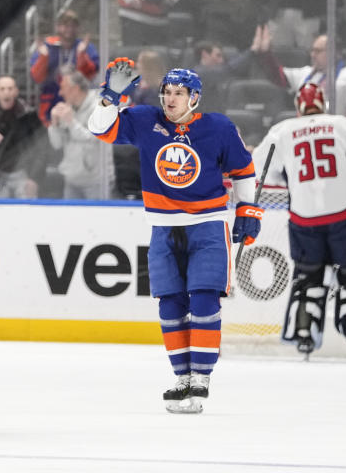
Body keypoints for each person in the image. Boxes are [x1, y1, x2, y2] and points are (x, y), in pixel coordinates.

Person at [88, 60, 261, 413]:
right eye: (166, 92)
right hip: (164, 227)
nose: (169, 99)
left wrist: (249, 210)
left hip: (208, 226)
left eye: (178, 93)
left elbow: (243, 170)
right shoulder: (145, 120)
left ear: (194, 97)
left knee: (203, 300)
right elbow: (99, 129)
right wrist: (109, 97)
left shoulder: (218, 128)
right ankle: (182, 379)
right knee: (170, 303)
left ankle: (201, 378)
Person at [251, 83, 346, 360]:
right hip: (345, 216)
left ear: (298, 107)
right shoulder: (342, 125)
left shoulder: (282, 131)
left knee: (308, 276)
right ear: (323, 105)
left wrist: (287, 177)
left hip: (303, 218)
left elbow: (259, 170)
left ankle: (304, 336)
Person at [253, 29, 346, 126]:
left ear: (334, 52)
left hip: (338, 139)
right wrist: (265, 54)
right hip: (306, 136)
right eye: (312, 50)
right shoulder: (307, 73)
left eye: (318, 51)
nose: (312, 55)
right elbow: (279, 77)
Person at [0, 75, 45, 199]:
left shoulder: (28, 114)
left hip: (22, 173)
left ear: (16, 91)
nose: (6, 92)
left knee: (27, 211)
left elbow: (42, 147)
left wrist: (34, 178)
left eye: (10, 88)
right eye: (2, 89)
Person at [49, 71, 111, 200]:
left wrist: (71, 122)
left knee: (96, 219)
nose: (60, 93)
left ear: (75, 89)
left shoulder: (100, 107)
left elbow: (93, 138)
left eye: (63, 88)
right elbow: (57, 144)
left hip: (96, 181)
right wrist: (54, 124)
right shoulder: (68, 108)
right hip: (72, 180)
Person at [29, 9, 98, 124]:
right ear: (57, 27)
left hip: (78, 101)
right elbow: (36, 77)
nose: (69, 30)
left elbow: (90, 76)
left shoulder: (86, 48)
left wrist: (81, 55)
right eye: (65, 26)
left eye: (72, 26)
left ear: (78, 28)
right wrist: (43, 57)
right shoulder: (47, 48)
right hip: (51, 102)